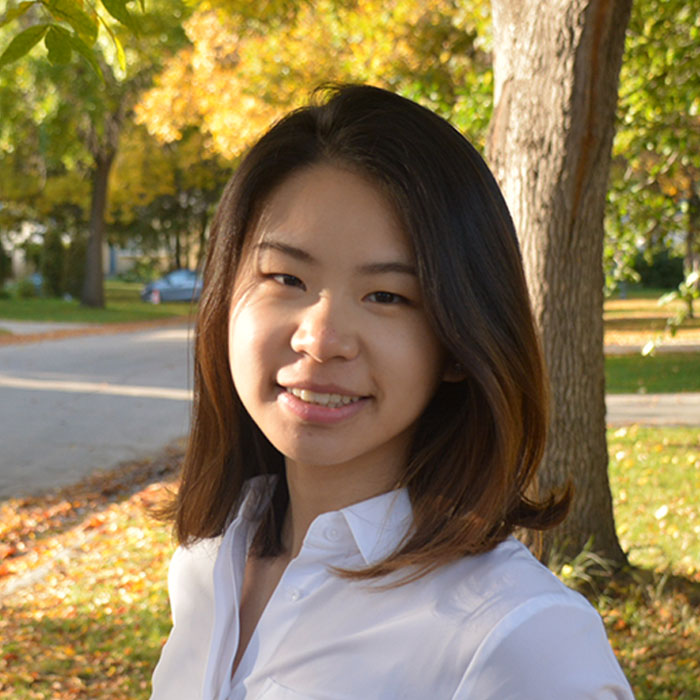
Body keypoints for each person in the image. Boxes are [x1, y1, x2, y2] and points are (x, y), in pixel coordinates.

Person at [150, 84, 634, 699]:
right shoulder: (208, 567)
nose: (321, 339)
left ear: (460, 341)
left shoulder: (519, 639)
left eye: (387, 296)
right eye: (286, 277)